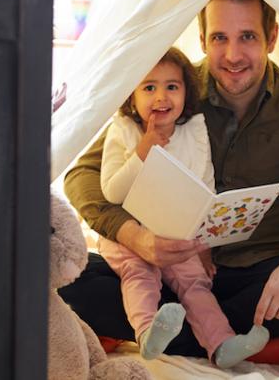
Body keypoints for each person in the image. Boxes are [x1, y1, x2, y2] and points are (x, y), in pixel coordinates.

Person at [60, 0, 279, 361]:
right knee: (62, 278)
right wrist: (135, 237)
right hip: (167, 269)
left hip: (255, 276)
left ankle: (179, 335)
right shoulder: (172, 89)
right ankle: (235, 343)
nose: (233, 55)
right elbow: (82, 176)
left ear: (271, 38)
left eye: (248, 37)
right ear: (203, 40)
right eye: (220, 38)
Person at [97, 47, 268, 366]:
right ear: (131, 94)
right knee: (140, 272)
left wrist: (204, 245)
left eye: (171, 86)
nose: (161, 96)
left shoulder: (194, 129)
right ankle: (148, 333)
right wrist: (143, 152)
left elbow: (204, 184)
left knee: (197, 283)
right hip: (130, 234)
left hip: (176, 230)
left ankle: (223, 345)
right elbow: (111, 191)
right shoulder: (122, 128)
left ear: (186, 92)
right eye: (149, 87)